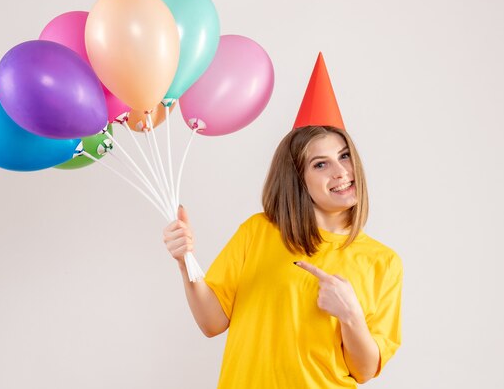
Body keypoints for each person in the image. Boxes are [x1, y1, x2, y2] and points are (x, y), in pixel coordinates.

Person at [163, 53, 402, 388]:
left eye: (344, 156)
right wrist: (184, 259)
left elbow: (363, 370)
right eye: (321, 164)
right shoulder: (258, 231)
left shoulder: (383, 262)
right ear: (297, 178)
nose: (342, 172)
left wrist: (351, 315)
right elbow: (212, 322)